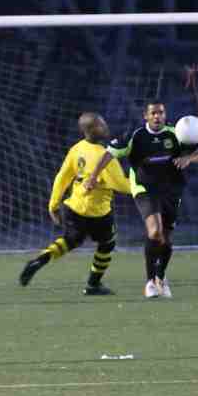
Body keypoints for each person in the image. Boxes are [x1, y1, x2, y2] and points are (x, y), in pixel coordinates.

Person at [83, 100, 198, 299]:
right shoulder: (135, 135)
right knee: (154, 231)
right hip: (144, 188)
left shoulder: (176, 133)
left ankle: (160, 277)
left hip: (171, 190)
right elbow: (109, 154)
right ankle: (150, 282)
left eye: (161, 112)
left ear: (165, 114)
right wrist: (93, 176)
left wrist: (189, 158)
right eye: (153, 113)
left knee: (165, 240)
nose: (157, 116)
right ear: (146, 116)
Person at [19, 112, 131, 295]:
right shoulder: (104, 156)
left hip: (74, 207)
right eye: (101, 124)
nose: (106, 126)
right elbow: (122, 185)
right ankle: (93, 284)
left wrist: (53, 204)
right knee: (107, 243)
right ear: (92, 129)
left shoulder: (77, 149)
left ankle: (40, 260)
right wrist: (146, 183)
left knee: (71, 240)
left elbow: (62, 177)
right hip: (97, 212)